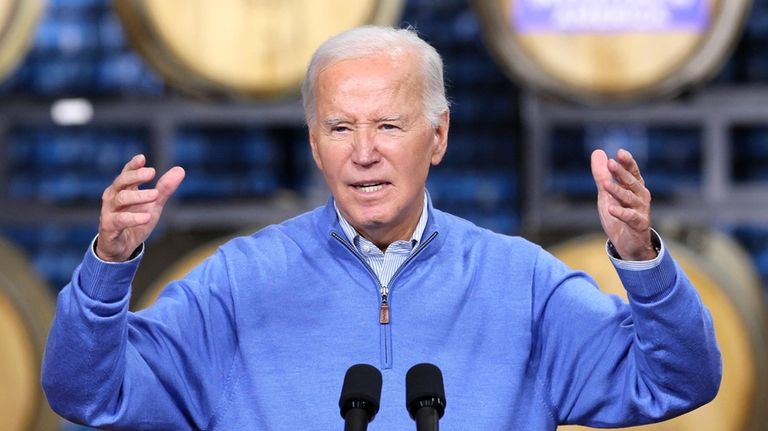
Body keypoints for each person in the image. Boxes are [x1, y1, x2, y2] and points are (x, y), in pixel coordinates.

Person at [41, 26, 721, 430]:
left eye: (389, 125)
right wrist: (109, 262)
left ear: (438, 135)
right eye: (340, 127)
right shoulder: (238, 283)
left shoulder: (524, 284)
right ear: (315, 143)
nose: (363, 151)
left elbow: (680, 378)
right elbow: (87, 392)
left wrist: (641, 259)